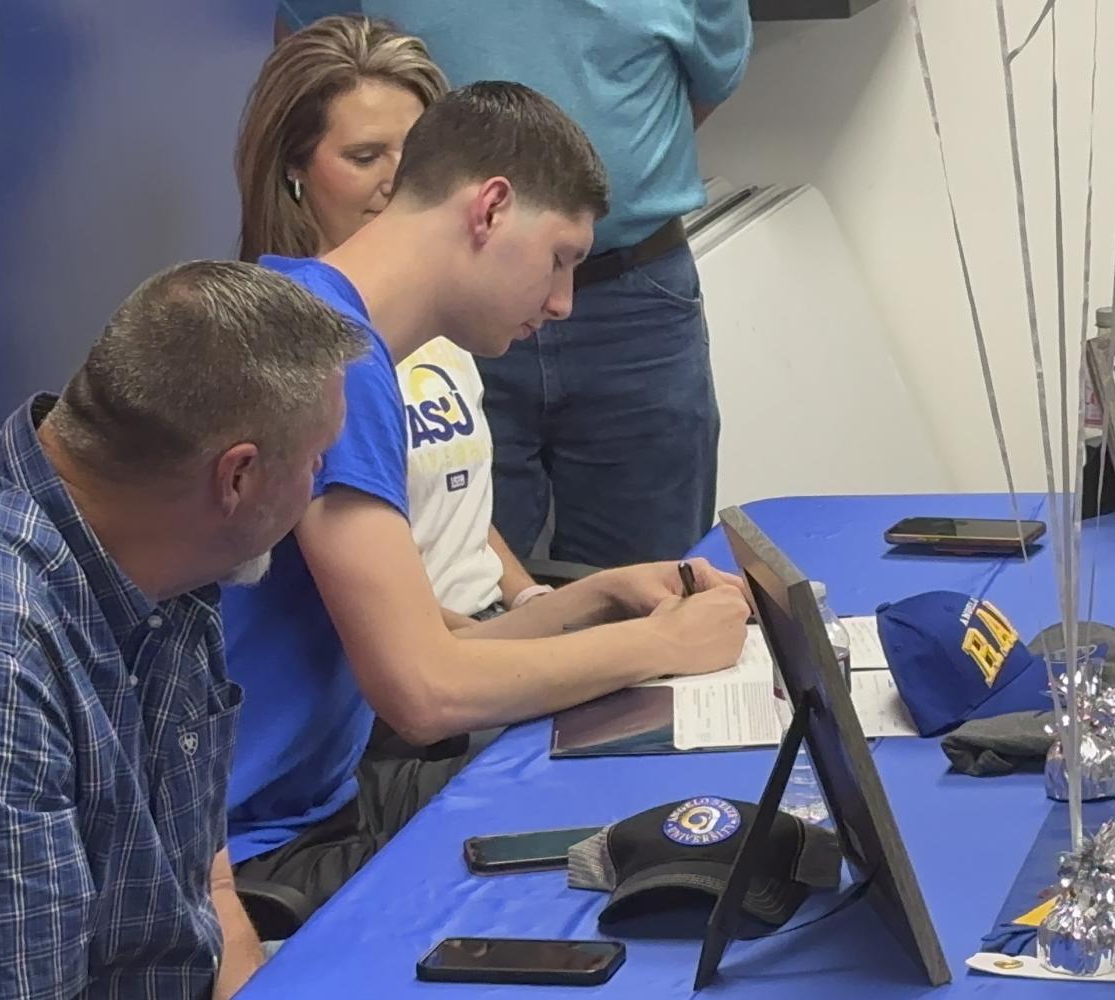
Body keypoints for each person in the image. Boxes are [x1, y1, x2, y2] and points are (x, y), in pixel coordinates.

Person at [223, 69, 752, 910]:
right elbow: (425, 692)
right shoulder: (332, 360)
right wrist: (665, 647)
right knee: (666, 852)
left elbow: (437, 645)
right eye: (560, 259)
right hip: (266, 850)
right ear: (491, 208)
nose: (563, 301)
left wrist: (599, 598)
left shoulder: (315, 316)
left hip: (322, 803)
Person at [0, 261, 364, 998]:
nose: (316, 482)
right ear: (239, 477)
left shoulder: (159, 561)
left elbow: (207, 889)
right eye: (316, 460)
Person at [282, 0, 752, 569]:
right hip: (450, 306)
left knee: (650, 569)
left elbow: (712, 78)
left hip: (635, 293)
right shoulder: (325, 356)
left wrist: (538, 599)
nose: (558, 303)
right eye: (366, 156)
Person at [237, 17, 539, 623]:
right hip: (421, 655)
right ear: (294, 167)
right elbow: (396, 641)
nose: (399, 182)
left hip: (489, 626)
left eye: (417, 153)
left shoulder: (445, 315)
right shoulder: (293, 343)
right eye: (365, 156)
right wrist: (546, 637)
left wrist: (533, 598)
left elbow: (455, 505)